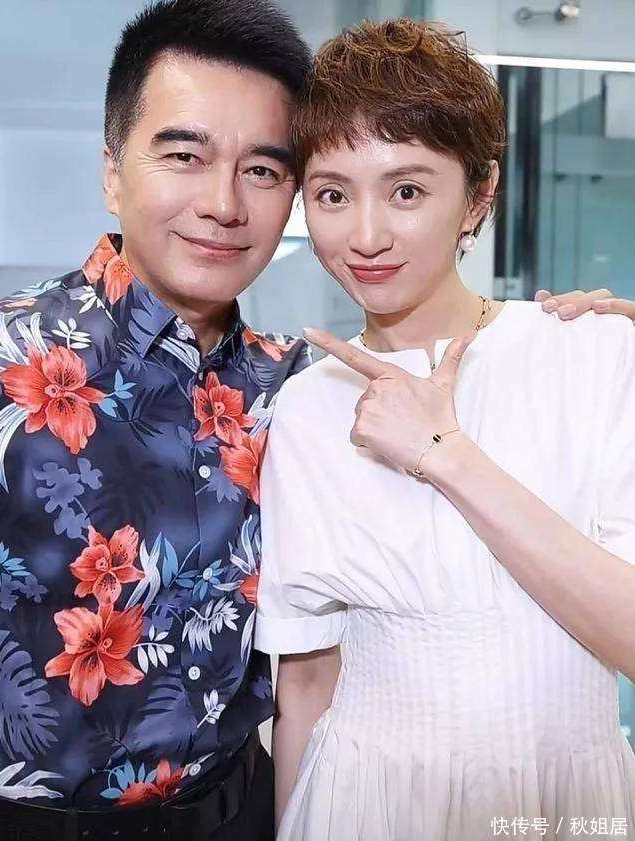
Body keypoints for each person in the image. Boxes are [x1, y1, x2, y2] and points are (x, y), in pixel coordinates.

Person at [253, 19, 635, 841]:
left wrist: (443, 454)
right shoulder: (309, 406)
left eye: (406, 191)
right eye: (332, 194)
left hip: (568, 799)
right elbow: (307, 683)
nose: (365, 236)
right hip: (366, 800)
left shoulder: (592, 352)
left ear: (480, 192)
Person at [0, 1, 312, 839]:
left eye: (262, 170)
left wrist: (580, 339)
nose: (224, 203)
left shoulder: (297, 387)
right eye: (184, 155)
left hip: (238, 812)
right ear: (112, 172)